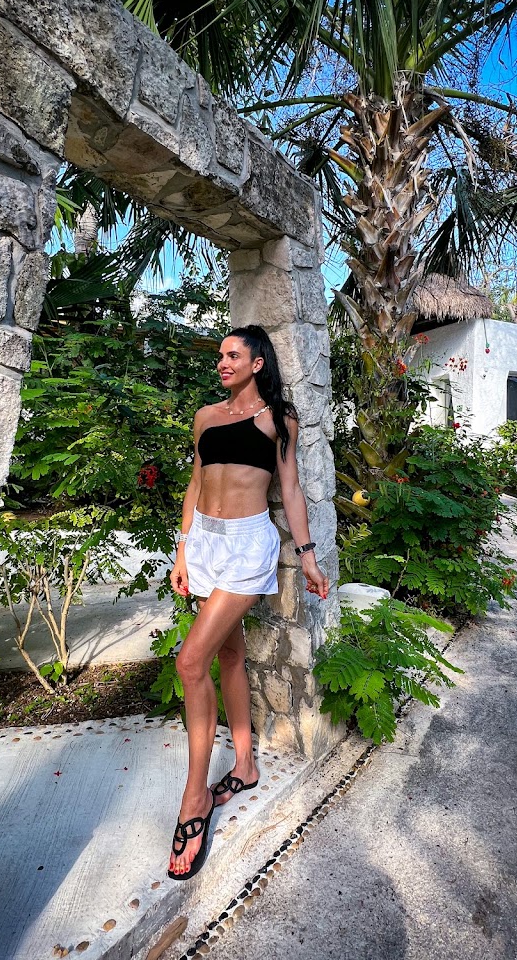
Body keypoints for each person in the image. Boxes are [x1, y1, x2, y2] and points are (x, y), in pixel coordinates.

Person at [167, 324, 329, 880]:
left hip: (245, 547)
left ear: (257, 363)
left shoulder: (278, 420)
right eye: (220, 354)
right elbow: (195, 484)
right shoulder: (206, 417)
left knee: (191, 662)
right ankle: (244, 765)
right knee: (229, 655)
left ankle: (195, 797)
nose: (223, 362)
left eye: (233, 354)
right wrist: (183, 548)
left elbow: (291, 489)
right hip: (205, 544)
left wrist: (307, 556)